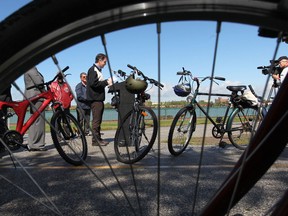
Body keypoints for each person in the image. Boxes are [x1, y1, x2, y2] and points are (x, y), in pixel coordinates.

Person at [86, 53, 112, 146]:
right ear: (100, 60)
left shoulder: (97, 70)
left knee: (98, 120)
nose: (105, 64)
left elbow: (96, 83)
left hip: (98, 99)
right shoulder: (93, 70)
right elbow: (93, 84)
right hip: (95, 99)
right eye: (104, 62)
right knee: (96, 120)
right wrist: (106, 82)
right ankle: (95, 140)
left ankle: (98, 138)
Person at [24, 67, 46, 151]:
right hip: (36, 96)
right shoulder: (31, 68)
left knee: (33, 121)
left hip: (31, 96)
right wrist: (45, 92)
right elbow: (39, 82)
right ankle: (38, 144)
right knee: (39, 121)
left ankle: (33, 143)